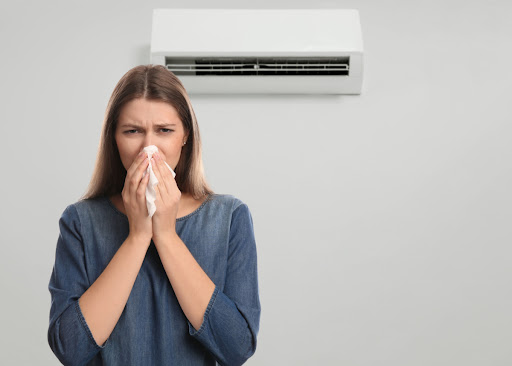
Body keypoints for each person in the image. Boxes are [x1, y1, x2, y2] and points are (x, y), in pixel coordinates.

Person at [47, 65, 260, 366]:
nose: (148, 148)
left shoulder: (229, 218)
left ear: (185, 136)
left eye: (164, 130)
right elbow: (71, 349)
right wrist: (137, 236)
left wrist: (166, 235)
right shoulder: (80, 221)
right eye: (132, 131)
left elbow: (236, 348)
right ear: (114, 138)